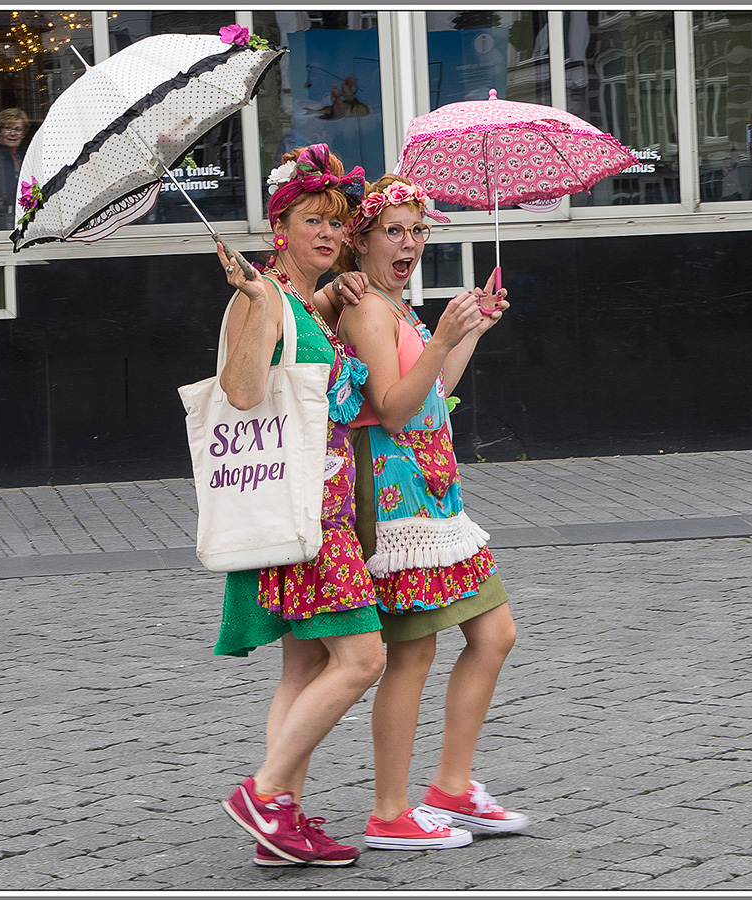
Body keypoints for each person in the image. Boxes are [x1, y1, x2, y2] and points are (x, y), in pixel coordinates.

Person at [338, 174, 526, 851]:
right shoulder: (368, 310)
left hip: (437, 494)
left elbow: (433, 393)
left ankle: (451, 786)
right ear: (360, 239)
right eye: (395, 231)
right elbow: (390, 406)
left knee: (494, 632)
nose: (410, 243)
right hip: (399, 505)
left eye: (418, 231)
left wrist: (469, 326)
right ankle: (390, 812)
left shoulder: (397, 306)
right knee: (411, 656)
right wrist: (443, 339)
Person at [213, 143, 383, 868]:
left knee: (303, 671)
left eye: (337, 223)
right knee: (363, 658)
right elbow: (243, 392)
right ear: (278, 226)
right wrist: (259, 303)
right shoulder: (261, 296)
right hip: (304, 515)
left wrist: (314, 304)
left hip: (324, 509)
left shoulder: (299, 297)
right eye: (311, 220)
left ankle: (276, 824)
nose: (328, 234)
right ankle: (266, 790)